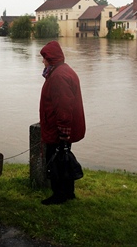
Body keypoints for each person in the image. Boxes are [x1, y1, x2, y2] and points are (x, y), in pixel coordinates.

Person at [39, 41, 86, 205]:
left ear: (51, 58)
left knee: (56, 161)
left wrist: (62, 133)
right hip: (60, 127)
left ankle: (58, 195)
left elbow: (64, 107)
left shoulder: (58, 76)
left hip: (58, 129)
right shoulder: (62, 71)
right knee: (63, 159)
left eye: (44, 58)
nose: (42, 61)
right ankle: (68, 193)